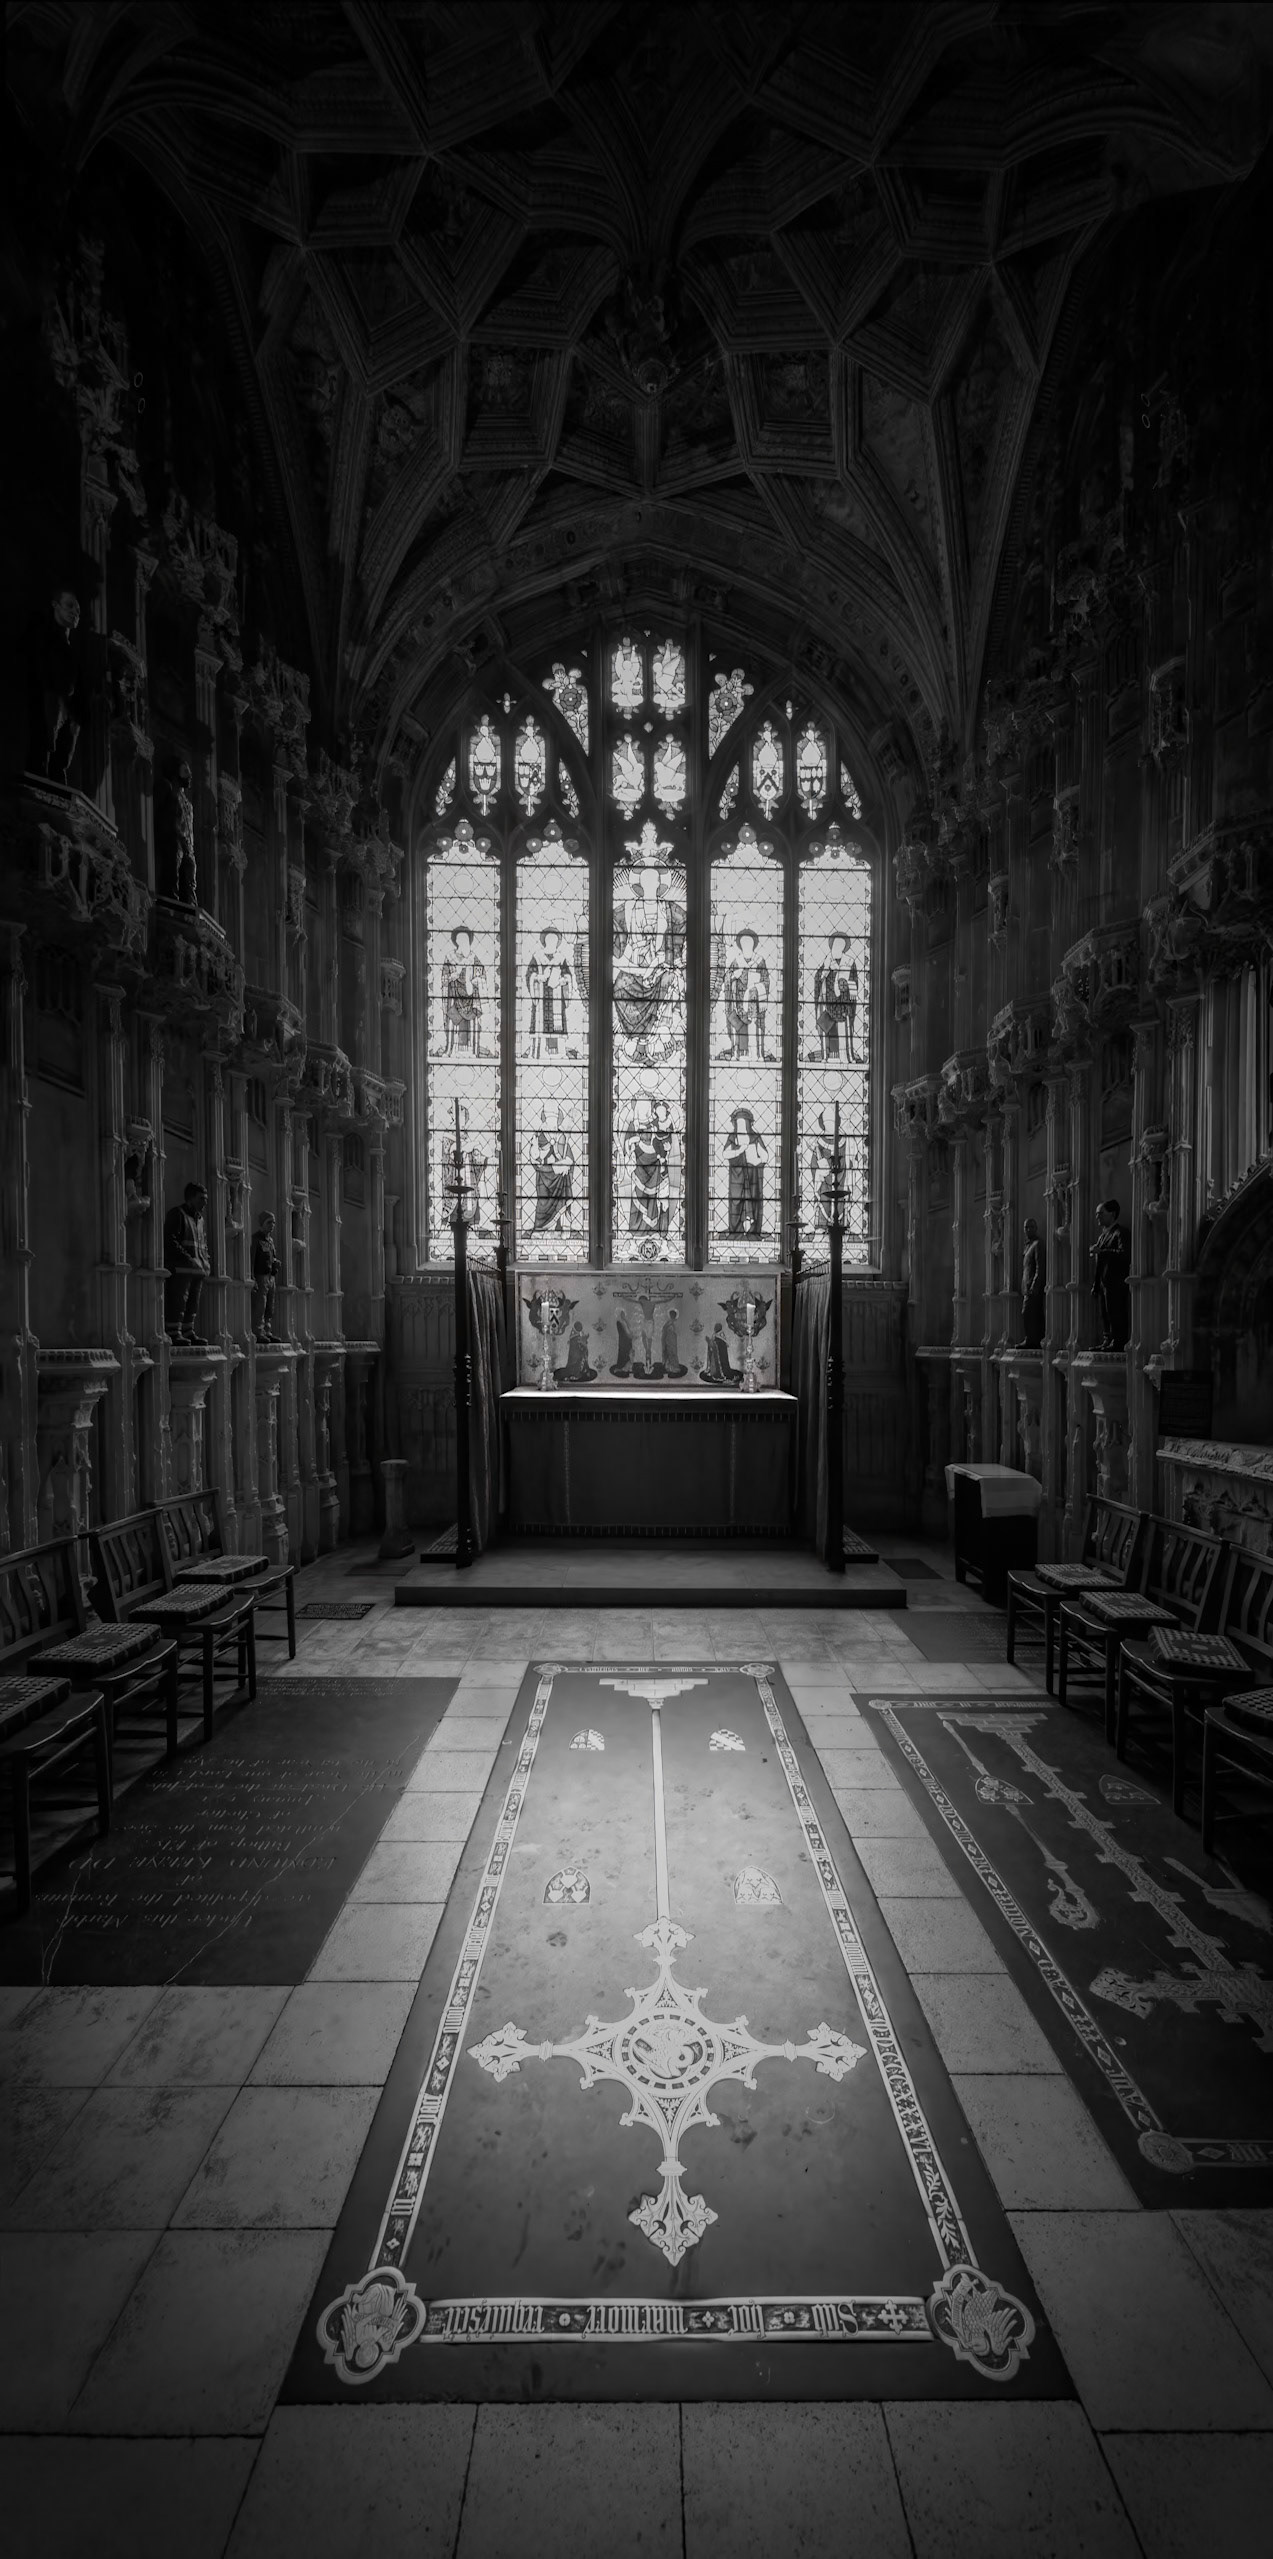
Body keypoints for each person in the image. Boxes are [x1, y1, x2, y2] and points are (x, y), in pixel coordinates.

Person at [164, 1181, 211, 1343]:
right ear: (190, 1199)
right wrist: (188, 1260)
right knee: (178, 1301)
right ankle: (173, 1332)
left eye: (206, 1199)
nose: (205, 1202)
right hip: (181, 1270)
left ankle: (188, 1330)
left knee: (192, 1304)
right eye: (201, 1198)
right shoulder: (177, 1214)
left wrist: (206, 1261)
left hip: (197, 1270)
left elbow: (202, 1243)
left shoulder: (200, 1219)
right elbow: (170, 1241)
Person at [720, 930, 771, 1061]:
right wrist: (733, 977)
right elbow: (726, 979)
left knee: (756, 1025)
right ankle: (739, 1053)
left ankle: (758, 1054)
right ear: (740, 945)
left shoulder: (759, 961)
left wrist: (756, 987)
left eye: (749, 942)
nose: (747, 944)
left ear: (754, 944)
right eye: (744, 942)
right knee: (739, 1023)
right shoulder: (736, 962)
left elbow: (766, 981)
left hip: (755, 1002)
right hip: (738, 1002)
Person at [525, 927, 575, 1058]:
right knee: (541, 1022)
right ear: (545, 941)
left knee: (556, 1024)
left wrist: (563, 980)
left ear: (558, 942)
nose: (552, 942)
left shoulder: (560, 958)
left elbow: (568, 976)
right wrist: (539, 977)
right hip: (541, 998)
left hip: (557, 997)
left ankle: (558, 1053)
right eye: (549, 939)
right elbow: (529, 975)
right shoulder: (537, 957)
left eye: (554, 939)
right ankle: (540, 1052)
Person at [812, 932, 859, 1063]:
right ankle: (826, 1056)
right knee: (827, 1027)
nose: (837, 947)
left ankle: (845, 1057)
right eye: (835, 944)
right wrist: (824, 973)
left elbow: (854, 982)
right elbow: (818, 979)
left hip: (843, 1003)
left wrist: (845, 986)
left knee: (843, 1029)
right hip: (828, 1003)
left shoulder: (850, 963)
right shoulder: (827, 962)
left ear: (844, 947)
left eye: (841, 944)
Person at [1091, 1197, 1130, 1350]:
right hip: (1104, 1283)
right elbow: (1099, 1263)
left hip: (1116, 1282)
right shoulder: (1102, 1236)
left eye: (1101, 1213)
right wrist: (1096, 1283)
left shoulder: (1121, 1232)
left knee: (1116, 1312)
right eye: (1096, 1214)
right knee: (1105, 1313)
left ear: (1112, 1214)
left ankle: (1118, 1341)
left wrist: (1102, 1251)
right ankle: (1107, 1338)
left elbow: (1124, 1254)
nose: (1097, 1217)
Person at [440, 926, 486, 1055]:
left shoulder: (473, 958)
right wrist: (452, 976)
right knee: (451, 1018)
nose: (464, 941)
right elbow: (444, 979)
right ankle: (449, 1048)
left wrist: (477, 980)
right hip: (454, 996)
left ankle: (475, 1050)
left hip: (471, 997)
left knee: (474, 1018)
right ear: (457, 941)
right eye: (461, 939)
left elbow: (481, 975)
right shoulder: (450, 958)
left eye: (466, 939)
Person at [723, 1106, 767, 1240]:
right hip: (737, 1176)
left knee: (753, 1201)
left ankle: (753, 1233)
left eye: (743, 1123)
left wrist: (757, 1160)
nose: (740, 1125)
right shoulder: (732, 1137)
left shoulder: (755, 1137)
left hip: (752, 1176)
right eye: (738, 1123)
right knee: (736, 1202)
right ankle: (735, 1231)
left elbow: (765, 1156)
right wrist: (739, 1151)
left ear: (749, 1124)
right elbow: (725, 1154)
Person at [530, 1111, 575, 1235]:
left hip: (560, 1177)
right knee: (543, 1202)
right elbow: (534, 1157)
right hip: (545, 1176)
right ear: (545, 1121)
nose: (553, 1125)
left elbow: (569, 1158)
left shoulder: (562, 1137)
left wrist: (564, 1164)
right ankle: (542, 1230)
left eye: (555, 1121)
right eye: (550, 1121)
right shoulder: (539, 1136)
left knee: (563, 1199)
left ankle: (561, 1228)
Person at [251, 1211, 281, 1343]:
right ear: (262, 1223)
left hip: (270, 1276)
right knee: (260, 1305)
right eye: (269, 1222)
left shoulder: (270, 1241)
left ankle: (267, 1330)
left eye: (273, 1222)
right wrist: (252, 1277)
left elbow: (271, 1255)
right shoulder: (256, 1239)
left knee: (270, 1305)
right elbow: (252, 1259)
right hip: (260, 1276)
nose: (272, 1225)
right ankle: (258, 1331)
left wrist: (275, 1262)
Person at [1020, 1216, 1045, 1347]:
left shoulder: (1038, 1244)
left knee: (1030, 1313)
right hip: (1027, 1286)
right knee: (1028, 1314)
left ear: (1036, 1228)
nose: (1029, 1229)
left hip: (1034, 1287)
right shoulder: (1027, 1245)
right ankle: (1031, 1338)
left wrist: (1035, 1284)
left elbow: (1040, 1266)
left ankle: (1032, 1340)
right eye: (1026, 1227)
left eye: (1031, 1227)